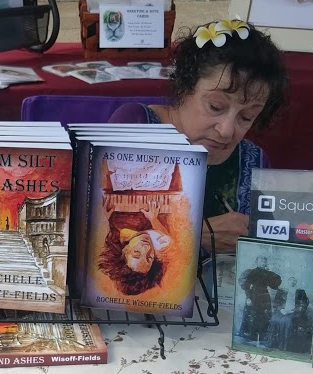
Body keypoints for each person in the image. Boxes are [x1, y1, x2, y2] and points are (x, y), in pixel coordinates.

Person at [109, 19, 289, 253]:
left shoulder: (252, 161)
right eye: (215, 107)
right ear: (185, 86)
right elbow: (98, 234)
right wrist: (194, 233)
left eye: (246, 117)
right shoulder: (137, 128)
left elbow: (270, 252)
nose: (226, 130)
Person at [98, 200, 171, 296]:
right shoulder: (160, 245)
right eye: (149, 258)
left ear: (125, 250)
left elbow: (103, 223)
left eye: (137, 252)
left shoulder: (115, 237)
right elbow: (164, 236)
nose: (146, 248)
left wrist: (103, 217)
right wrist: (153, 218)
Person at [236, 254, 281, 343]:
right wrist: (248, 298)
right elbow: (246, 286)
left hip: (265, 296)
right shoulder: (252, 272)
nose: (262, 263)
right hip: (254, 295)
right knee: (252, 314)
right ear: (256, 262)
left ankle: (262, 336)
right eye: (260, 261)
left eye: (264, 261)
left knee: (264, 315)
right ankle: (250, 336)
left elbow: (274, 284)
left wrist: (271, 272)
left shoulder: (268, 273)